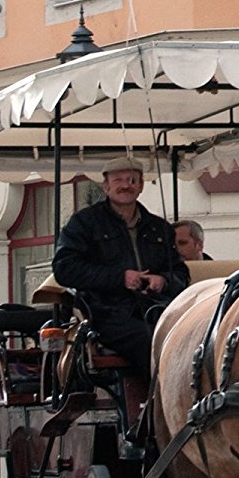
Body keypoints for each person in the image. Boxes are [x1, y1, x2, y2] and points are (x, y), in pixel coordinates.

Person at [53, 157, 187, 375]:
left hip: (156, 307)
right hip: (106, 313)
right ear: (106, 186)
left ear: (141, 185)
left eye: (132, 180)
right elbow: (64, 269)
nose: (126, 185)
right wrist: (119, 278)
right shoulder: (84, 223)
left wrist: (162, 280)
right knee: (151, 340)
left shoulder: (159, 227)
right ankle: (160, 400)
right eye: (118, 180)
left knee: (194, 331)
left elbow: (181, 273)